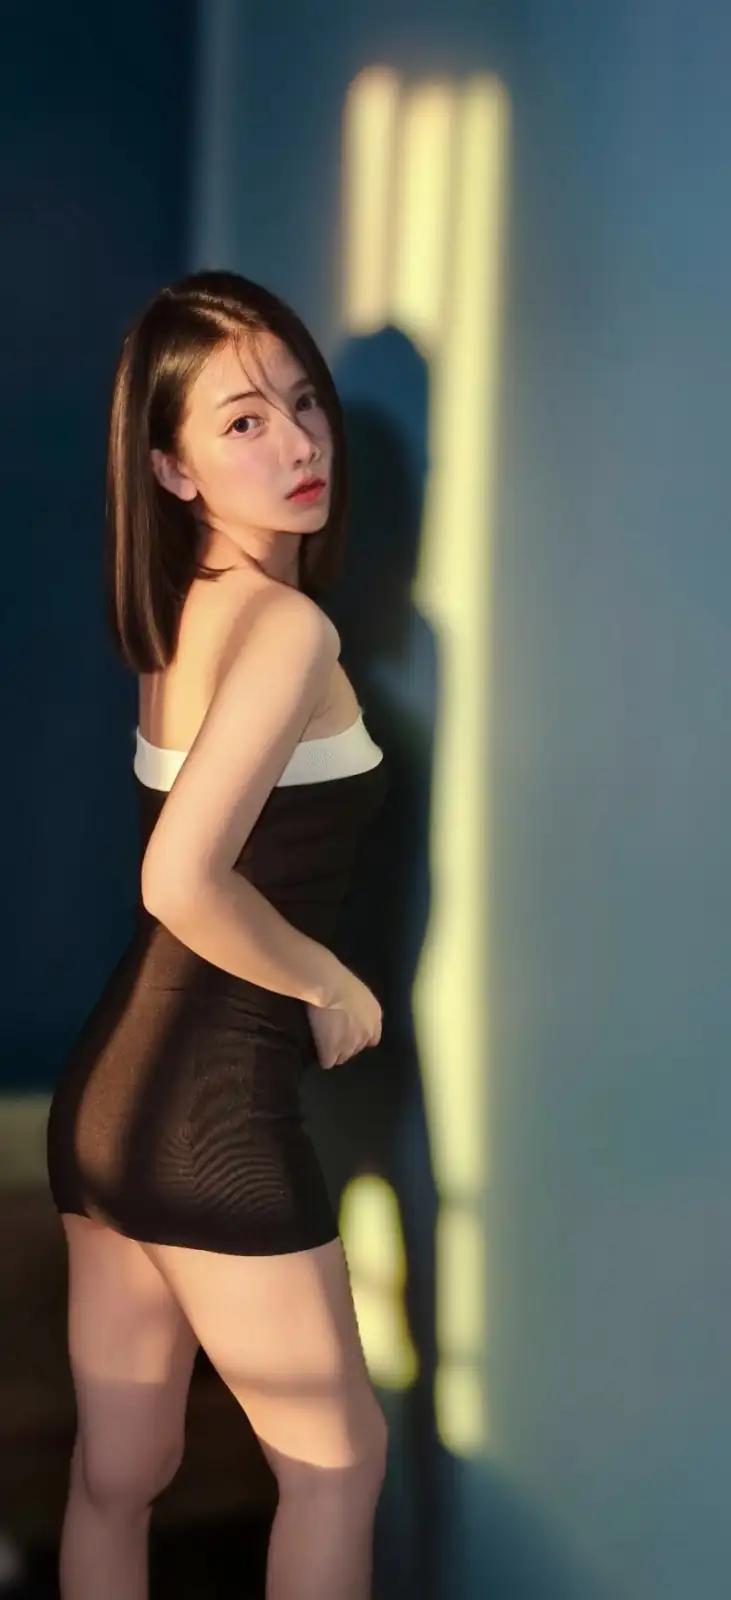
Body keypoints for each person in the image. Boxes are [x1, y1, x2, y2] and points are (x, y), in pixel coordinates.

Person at [46, 270, 390, 1600]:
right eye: (243, 422)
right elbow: (180, 879)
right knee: (336, 1469)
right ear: (172, 469)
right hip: (211, 1113)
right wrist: (328, 981)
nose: (299, 444)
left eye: (304, 404)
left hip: (107, 1104)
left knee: (118, 1476)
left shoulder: (178, 613)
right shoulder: (287, 627)